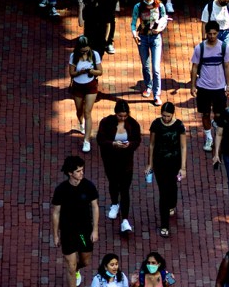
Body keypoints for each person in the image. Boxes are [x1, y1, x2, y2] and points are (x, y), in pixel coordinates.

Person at [51, 155, 99, 287]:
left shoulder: (89, 187)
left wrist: (95, 229)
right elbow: (56, 213)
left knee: (85, 261)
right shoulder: (61, 190)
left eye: (82, 170)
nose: (81, 173)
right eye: (78, 171)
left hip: (84, 231)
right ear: (70, 173)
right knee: (69, 266)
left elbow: (95, 207)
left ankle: (78, 270)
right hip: (68, 233)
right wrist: (56, 234)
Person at [97, 100, 142, 234]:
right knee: (113, 182)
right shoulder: (106, 122)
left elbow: (137, 140)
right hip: (110, 159)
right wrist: (112, 144)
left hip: (126, 160)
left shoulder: (133, 124)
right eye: (120, 115)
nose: (122, 118)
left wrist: (129, 145)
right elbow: (100, 140)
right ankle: (114, 203)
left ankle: (125, 218)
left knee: (125, 188)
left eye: (125, 116)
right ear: (115, 113)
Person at [190, 21, 229, 153]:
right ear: (206, 33)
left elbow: (227, 66)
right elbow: (194, 67)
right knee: (205, 113)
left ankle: (217, 127)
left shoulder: (224, 47)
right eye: (210, 34)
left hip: (219, 87)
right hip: (203, 87)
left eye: (215, 34)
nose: (212, 36)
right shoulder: (200, 48)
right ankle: (209, 138)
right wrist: (193, 86)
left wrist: (228, 85)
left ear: (218, 33)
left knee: (219, 114)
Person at [147, 102, 187, 238]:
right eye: (163, 116)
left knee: (172, 188)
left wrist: (183, 167)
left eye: (168, 116)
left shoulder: (179, 126)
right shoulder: (156, 124)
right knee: (163, 192)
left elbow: (183, 147)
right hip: (159, 163)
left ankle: (172, 204)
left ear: (173, 114)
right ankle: (164, 224)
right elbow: (151, 144)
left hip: (174, 163)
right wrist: (150, 164)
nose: (165, 118)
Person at [68, 35, 103, 154]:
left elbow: (100, 71)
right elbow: (71, 73)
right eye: (82, 50)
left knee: (88, 111)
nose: (84, 52)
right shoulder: (73, 56)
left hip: (91, 85)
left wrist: (92, 71)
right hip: (78, 86)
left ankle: (86, 140)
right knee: (79, 110)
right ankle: (81, 122)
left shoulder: (95, 55)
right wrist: (80, 72)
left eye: (86, 50)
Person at [131, 0, 169, 106]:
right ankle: (149, 86)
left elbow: (164, 19)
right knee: (146, 66)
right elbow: (133, 23)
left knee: (156, 68)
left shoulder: (159, 5)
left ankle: (157, 95)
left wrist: (160, 29)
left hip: (155, 38)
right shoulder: (138, 6)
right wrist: (134, 34)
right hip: (142, 38)